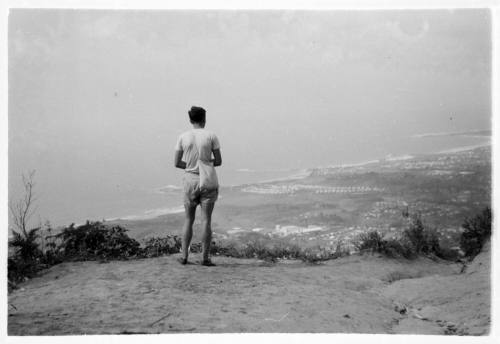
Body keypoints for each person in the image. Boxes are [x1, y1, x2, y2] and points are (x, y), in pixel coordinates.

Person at [174, 106, 222, 266]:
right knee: (206, 220)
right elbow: (219, 161)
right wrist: (205, 164)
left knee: (188, 219)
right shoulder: (211, 136)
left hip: (190, 179)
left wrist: (191, 166)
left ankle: (184, 256)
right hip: (206, 179)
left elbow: (176, 163)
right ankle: (205, 258)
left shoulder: (183, 137)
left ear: (190, 120)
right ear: (204, 119)